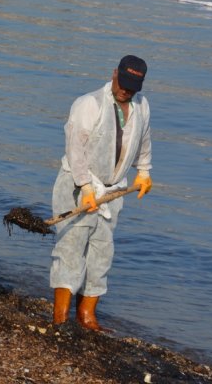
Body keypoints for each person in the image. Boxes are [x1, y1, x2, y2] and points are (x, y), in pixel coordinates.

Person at [50, 55, 153, 330]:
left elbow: (143, 139)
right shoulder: (89, 104)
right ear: (114, 73)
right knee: (71, 249)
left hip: (114, 190)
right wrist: (84, 187)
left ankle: (86, 316)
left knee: (101, 252)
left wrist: (143, 170)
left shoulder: (141, 106)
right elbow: (75, 149)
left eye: (133, 86)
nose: (126, 90)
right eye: (123, 83)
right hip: (77, 184)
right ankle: (60, 317)